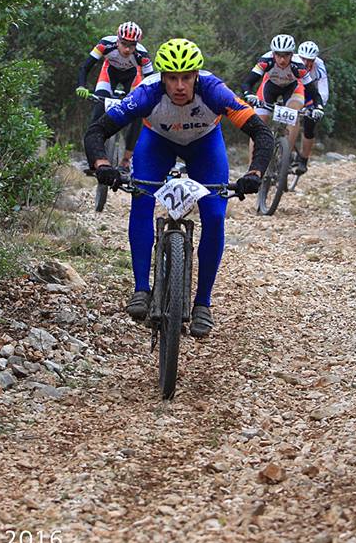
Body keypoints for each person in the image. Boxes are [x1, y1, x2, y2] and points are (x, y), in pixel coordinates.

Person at [84, 39, 275, 337]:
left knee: (214, 216)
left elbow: (261, 133)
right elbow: (97, 130)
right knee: (142, 200)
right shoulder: (147, 93)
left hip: (204, 146)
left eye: (186, 77)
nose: (180, 85)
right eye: (172, 78)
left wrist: (255, 172)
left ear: (197, 75)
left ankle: (202, 304)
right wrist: (101, 165)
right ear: (162, 77)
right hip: (156, 142)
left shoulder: (214, 91)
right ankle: (141, 290)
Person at [76, 22, 153, 170]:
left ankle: (126, 160)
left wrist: (148, 102)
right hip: (109, 74)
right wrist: (81, 86)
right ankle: (94, 160)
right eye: (123, 44)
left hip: (132, 78)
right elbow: (85, 67)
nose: (127, 49)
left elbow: (151, 82)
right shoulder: (105, 44)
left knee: (138, 115)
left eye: (132, 45)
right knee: (97, 115)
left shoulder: (142, 55)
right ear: (117, 40)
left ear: (137, 44)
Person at [241, 34, 324, 167]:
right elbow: (248, 82)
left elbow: (313, 91)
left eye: (286, 55)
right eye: (278, 55)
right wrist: (249, 94)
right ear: (273, 53)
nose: (282, 59)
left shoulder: (299, 66)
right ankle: (252, 167)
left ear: (292, 54)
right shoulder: (266, 60)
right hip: (269, 88)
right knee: (257, 124)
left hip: (292, 89)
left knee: (293, 114)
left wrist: (318, 107)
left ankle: (284, 157)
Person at [294, 40, 330, 175]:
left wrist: (318, 107)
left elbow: (323, 89)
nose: (306, 63)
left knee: (309, 125)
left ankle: (304, 158)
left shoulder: (319, 66)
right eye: (303, 59)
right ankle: (286, 150)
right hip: (294, 90)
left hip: (310, 93)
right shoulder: (292, 60)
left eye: (310, 60)